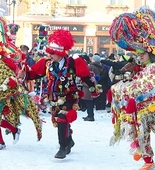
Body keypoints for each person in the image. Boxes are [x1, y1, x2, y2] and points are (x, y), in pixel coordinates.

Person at [18, 29, 101, 159]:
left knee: (63, 118)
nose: (50, 55)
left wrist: (93, 89)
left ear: (60, 53)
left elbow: (85, 76)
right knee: (60, 121)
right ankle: (69, 141)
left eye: (53, 53)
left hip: (70, 97)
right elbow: (34, 74)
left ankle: (62, 147)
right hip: (54, 97)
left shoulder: (73, 62)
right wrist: (25, 74)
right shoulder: (46, 63)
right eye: (49, 52)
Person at [109, 6, 155, 170]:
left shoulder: (154, 67)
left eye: (141, 52)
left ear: (150, 51)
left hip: (154, 109)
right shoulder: (144, 67)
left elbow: (140, 88)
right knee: (141, 131)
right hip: (145, 111)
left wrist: (119, 89)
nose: (139, 56)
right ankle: (148, 160)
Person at [0, 15, 42, 151]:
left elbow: (10, 76)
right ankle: (13, 131)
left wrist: (10, 83)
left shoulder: (1, 63)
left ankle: (2, 140)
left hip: (2, 94)